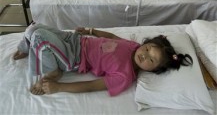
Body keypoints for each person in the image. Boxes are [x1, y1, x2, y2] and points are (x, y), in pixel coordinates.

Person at [13, 23, 193, 96]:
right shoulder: (133, 46)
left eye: (151, 60)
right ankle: (25, 47)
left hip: (73, 57)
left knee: (39, 37)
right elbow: (112, 36)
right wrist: (91, 31)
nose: (144, 54)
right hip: (74, 40)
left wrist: (60, 87)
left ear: (152, 70)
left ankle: (53, 72)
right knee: (33, 27)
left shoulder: (125, 75)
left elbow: (92, 85)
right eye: (147, 48)